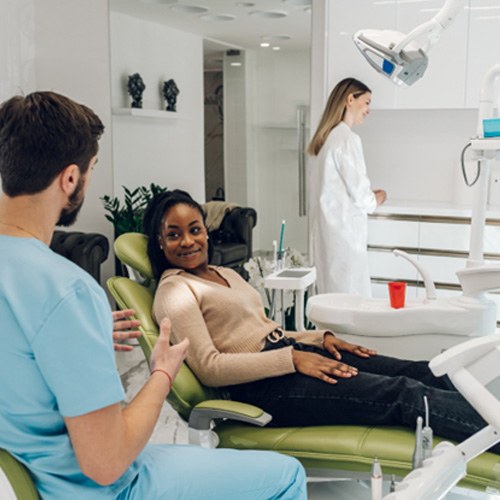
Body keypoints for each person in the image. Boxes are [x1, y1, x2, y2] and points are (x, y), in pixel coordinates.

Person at [0, 92, 307, 499]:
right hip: (103, 490)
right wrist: (162, 372)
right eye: (91, 170)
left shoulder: (41, 293)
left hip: (31, 479)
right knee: (286, 476)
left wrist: (76, 338)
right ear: (70, 178)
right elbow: (107, 463)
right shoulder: (66, 291)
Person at [145, 189, 498, 452]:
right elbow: (210, 367)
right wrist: (292, 358)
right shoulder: (175, 291)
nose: (188, 241)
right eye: (174, 234)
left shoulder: (224, 273)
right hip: (264, 387)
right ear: (159, 243)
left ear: (207, 230)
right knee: (402, 395)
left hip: (292, 356)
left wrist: (318, 338)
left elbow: (262, 330)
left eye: (194, 229)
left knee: (423, 371)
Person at [307, 77, 387, 296]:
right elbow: (361, 196)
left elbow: (337, 189)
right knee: (352, 305)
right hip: (345, 240)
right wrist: (376, 199)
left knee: (332, 303)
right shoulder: (347, 140)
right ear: (350, 99)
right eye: (367, 102)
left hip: (328, 238)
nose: (369, 110)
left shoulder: (327, 141)